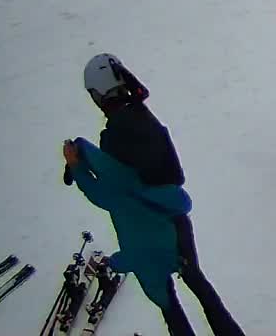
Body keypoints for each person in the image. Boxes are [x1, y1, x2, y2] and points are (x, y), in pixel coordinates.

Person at [63, 53, 246, 336]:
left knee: (168, 302)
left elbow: (112, 195)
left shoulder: (114, 136)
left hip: (149, 234)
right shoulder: (143, 116)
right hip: (175, 221)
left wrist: (77, 167)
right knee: (197, 282)